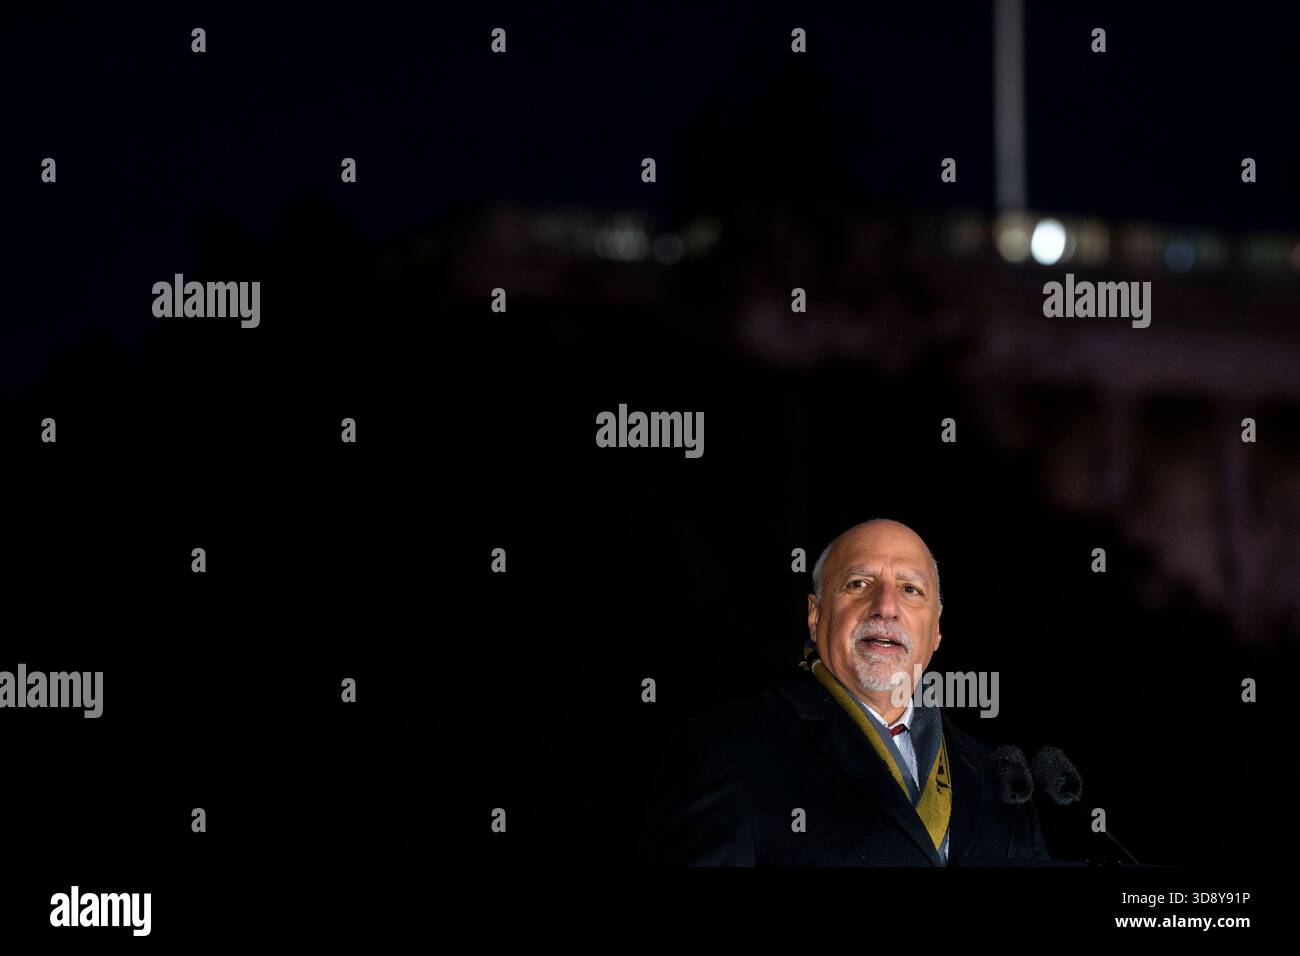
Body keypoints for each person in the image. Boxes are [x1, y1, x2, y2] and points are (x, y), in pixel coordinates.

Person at [642, 518, 1050, 866]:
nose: (886, 606)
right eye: (859, 583)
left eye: (911, 590)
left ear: (937, 628)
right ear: (815, 615)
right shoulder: (728, 751)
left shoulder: (1001, 780)